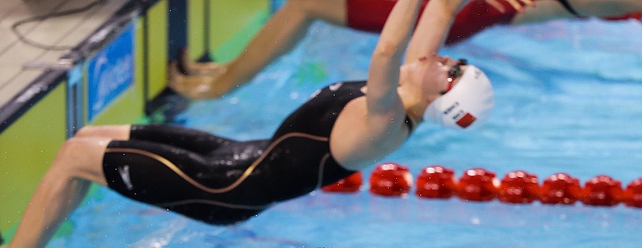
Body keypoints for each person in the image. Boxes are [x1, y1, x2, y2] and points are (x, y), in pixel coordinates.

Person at [0, 0, 495, 248]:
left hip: (225, 188)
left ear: (441, 100)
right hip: (237, 156)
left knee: (75, 156)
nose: (446, 60)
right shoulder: (411, 87)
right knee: (88, 141)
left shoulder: (386, 121)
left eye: (452, 72)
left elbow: (386, 49)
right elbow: (440, 10)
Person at [169, 0, 642, 99]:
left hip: (453, 12)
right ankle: (225, 71)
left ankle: (221, 85)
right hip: (461, 10)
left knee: (306, 6)